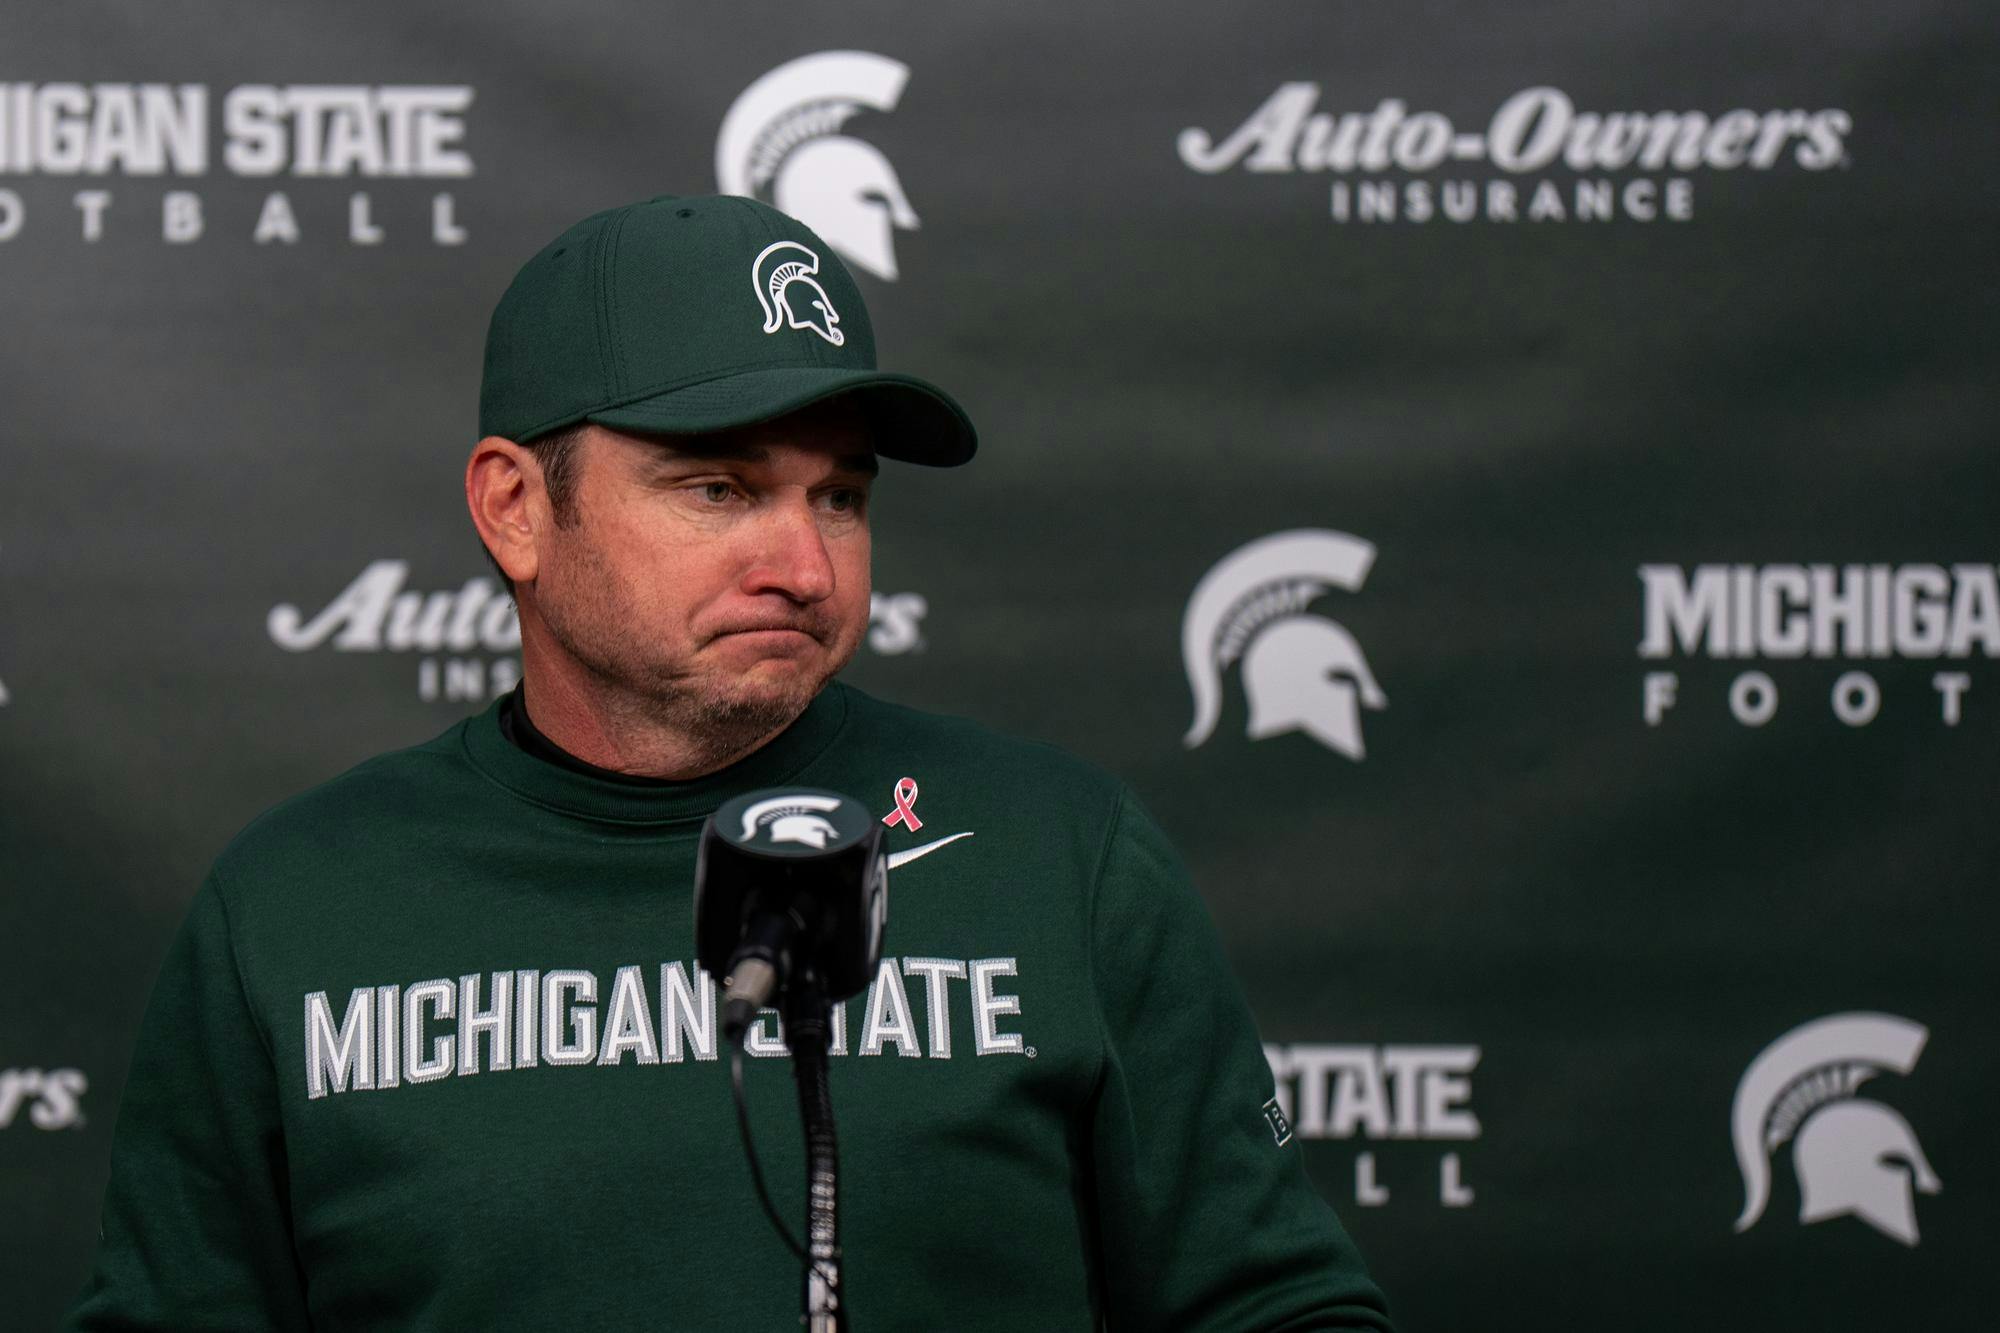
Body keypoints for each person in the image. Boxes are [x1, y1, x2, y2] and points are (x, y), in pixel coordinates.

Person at [67, 194, 1394, 1331]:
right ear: (516, 509)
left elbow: (1277, 1306)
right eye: (720, 488)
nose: (805, 565)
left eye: (841, 496)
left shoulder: (1061, 853)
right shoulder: (296, 907)